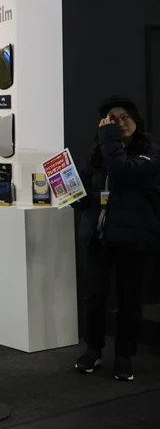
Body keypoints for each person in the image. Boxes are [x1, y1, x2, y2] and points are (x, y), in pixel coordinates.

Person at [72, 95, 159, 382]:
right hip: (99, 237)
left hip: (132, 237)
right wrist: (71, 194)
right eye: (112, 118)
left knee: (128, 300)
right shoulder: (98, 156)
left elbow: (122, 172)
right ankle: (93, 349)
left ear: (136, 121)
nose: (119, 123)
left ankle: (124, 355)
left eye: (125, 117)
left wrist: (107, 136)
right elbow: (85, 189)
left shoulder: (150, 155)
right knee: (94, 297)